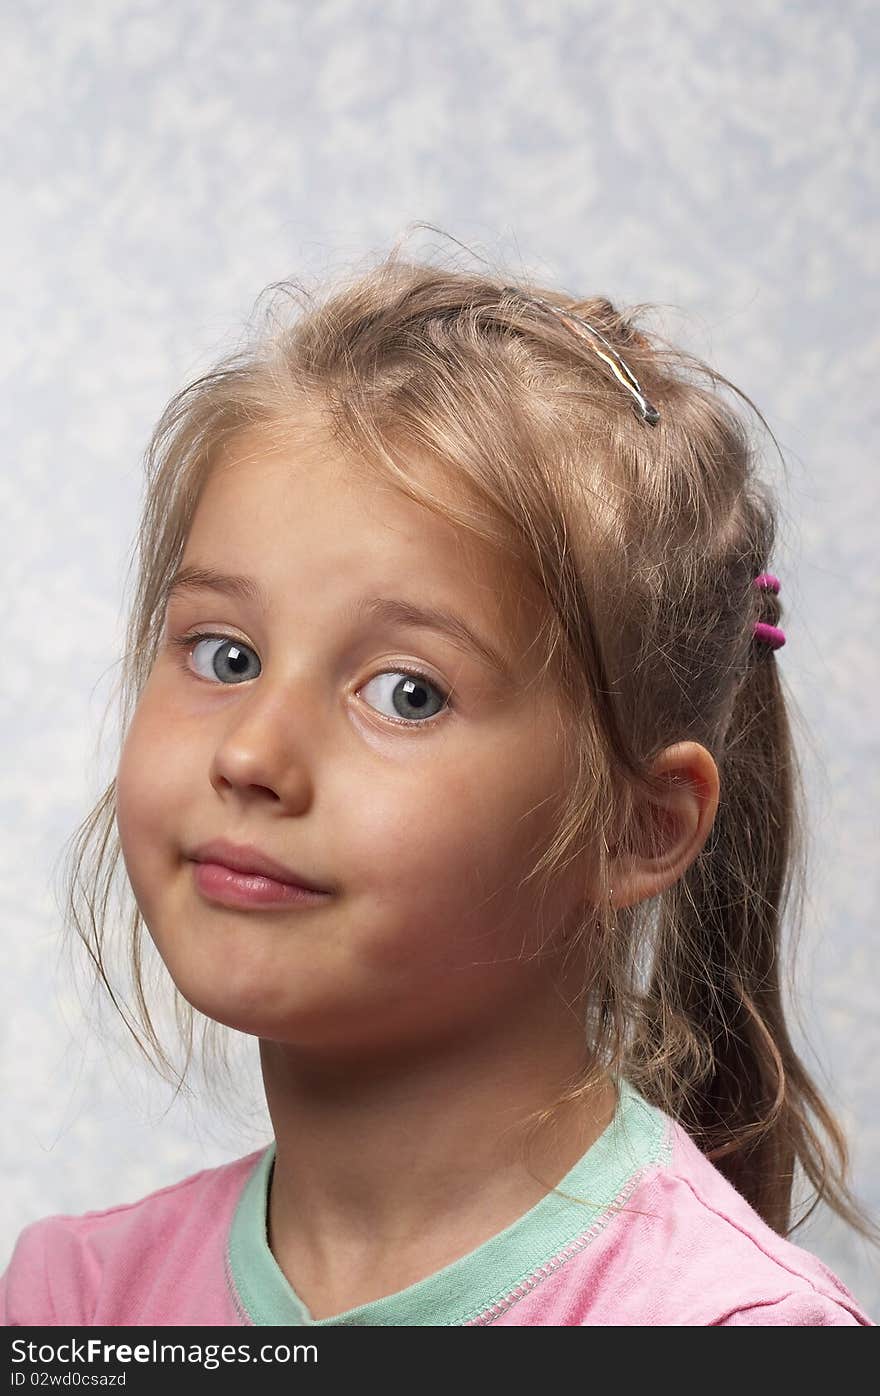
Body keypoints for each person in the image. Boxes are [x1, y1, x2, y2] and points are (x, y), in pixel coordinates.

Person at [2, 246, 876, 1327]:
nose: (252, 756)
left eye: (407, 692)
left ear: (636, 829)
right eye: (225, 654)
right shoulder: (75, 1304)